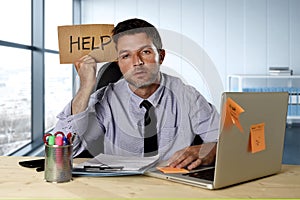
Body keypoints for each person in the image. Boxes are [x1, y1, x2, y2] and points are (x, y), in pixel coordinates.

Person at [52, 18, 220, 170]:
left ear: (160, 56)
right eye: (126, 55)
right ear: (118, 63)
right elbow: (65, 152)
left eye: (145, 52)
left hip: (172, 186)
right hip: (120, 188)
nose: (137, 62)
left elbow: (225, 144)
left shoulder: (187, 96)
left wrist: (205, 151)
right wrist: (85, 87)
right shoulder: (106, 99)